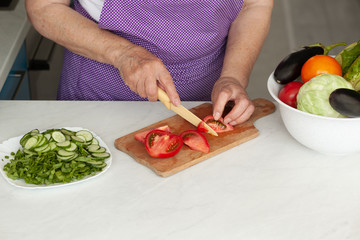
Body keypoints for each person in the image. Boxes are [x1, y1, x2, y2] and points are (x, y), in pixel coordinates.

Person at [25, 0, 273, 125]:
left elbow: (254, 5)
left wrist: (233, 77)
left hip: (206, 99)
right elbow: (44, 7)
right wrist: (123, 54)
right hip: (101, 93)